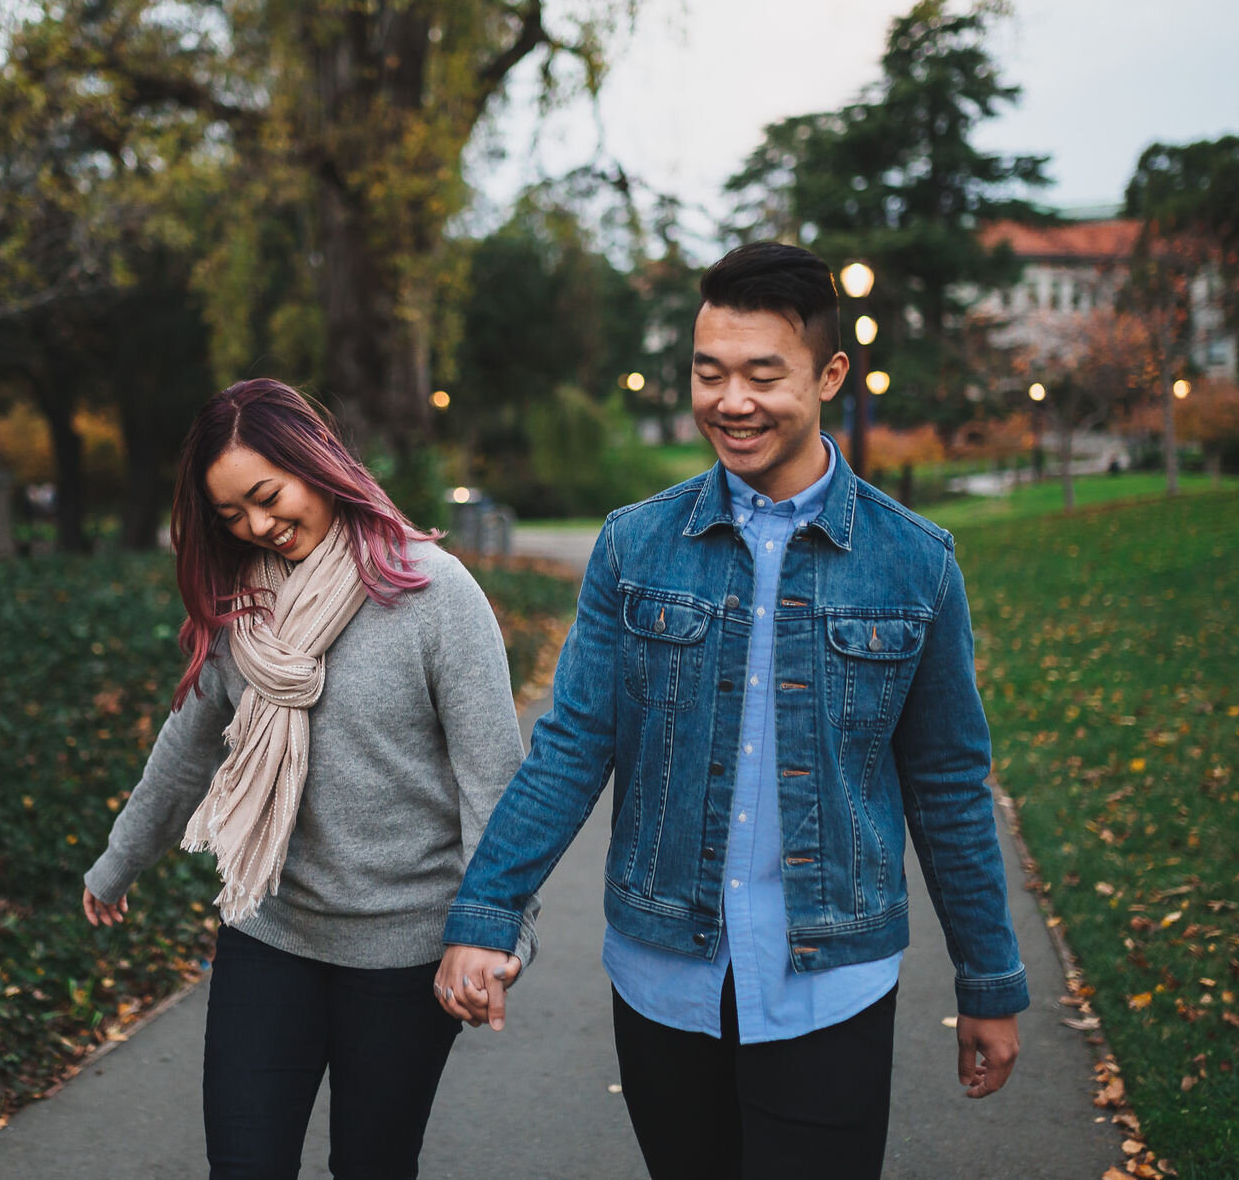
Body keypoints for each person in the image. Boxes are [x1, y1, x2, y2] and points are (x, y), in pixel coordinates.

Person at [435, 243, 1027, 1179]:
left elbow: (949, 786)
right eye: (710, 372)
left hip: (830, 983)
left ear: (830, 374)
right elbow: (572, 746)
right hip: (666, 975)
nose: (731, 400)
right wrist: (488, 907)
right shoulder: (635, 545)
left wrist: (989, 979)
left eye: (762, 373)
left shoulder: (916, 564)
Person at [80, 378, 538, 1180]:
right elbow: (188, 747)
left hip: (404, 952)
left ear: (315, 461)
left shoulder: (433, 594)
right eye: (232, 514)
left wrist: (495, 930)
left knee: (372, 1165)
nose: (257, 525)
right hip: (272, 934)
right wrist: (120, 858)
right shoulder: (243, 607)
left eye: (266, 494)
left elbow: (494, 785)